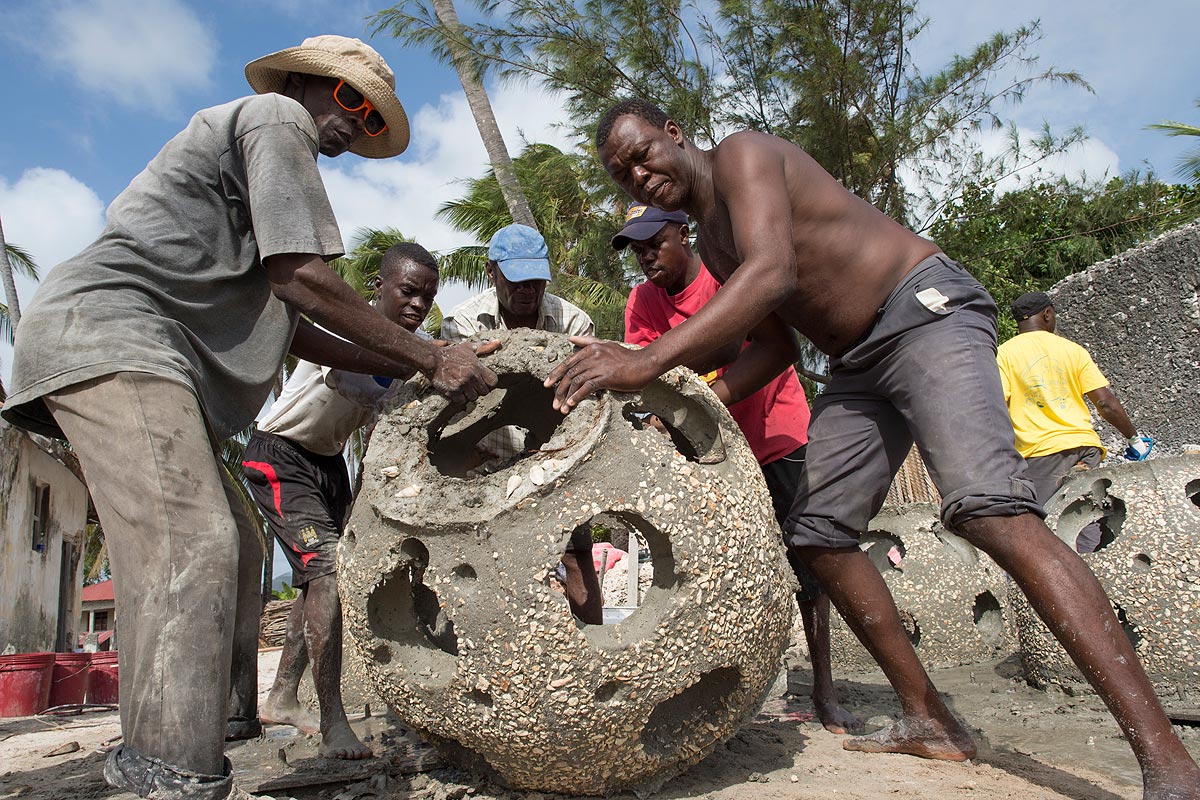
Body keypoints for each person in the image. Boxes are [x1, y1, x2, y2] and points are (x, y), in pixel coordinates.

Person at [543, 98, 1200, 798]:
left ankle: (1169, 764)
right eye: (622, 173)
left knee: (989, 512)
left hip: (922, 312)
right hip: (857, 363)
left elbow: (773, 275)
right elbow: (772, 349)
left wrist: (642, 363)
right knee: (819, 535)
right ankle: (932, 721)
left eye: (642, 153)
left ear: (675, 134)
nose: (637, 174)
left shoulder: (742, 156)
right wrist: (681, 402)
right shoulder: (714, 241)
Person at [1, 36, 496, 799]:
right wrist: (432, 360)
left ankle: (223, 721)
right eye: (351, 102)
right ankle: (168, 767)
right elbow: (300, 279)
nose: (353, 127)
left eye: (370, 122)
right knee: (189, 537)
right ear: (306, 82)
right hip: (112, 335)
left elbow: (294, 326)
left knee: (231, 541)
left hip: (152, 353)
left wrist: (420, 356)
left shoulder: (265, 174)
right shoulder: (273, 119)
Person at [616, 204, 861, 734]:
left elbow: (770, 356)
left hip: (774, 435)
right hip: (705, 450)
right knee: (711, 563)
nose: (645, 257)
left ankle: (823, 686)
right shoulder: (642, 300)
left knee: (811, 564)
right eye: (636, 249)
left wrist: (697, 396)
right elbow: (647, 370)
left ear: (684, 232)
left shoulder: (728, 280)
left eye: (653, 242)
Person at [243, 242, 439, 759]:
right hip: (280, 454)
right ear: (380, 286)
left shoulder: (407, 347)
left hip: (327, 463)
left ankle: (283, 695)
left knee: (321, 582)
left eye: (428, 297)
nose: (418, 305)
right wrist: (425, 366)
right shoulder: (346, 328)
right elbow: (349, 378)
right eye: (408, 291)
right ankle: (333, 722)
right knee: (326, 573)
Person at [441, 223, 603, 625]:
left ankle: (595, 651)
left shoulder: (573, 322)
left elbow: (585, 397)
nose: (528, 289)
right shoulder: (462, 324)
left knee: (576, 551)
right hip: (487, 460)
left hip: (556, 461)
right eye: (516, 279)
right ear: (491, 271)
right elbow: (459, 403)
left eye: (536, 279)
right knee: (482, 562)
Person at [997, 291, 1153, 552]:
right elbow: (1105, 403)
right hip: (1084, 449)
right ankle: (1093, 583)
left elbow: (996, 407)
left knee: (1044, 532)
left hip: (1039, 455)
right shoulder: (1072, 350)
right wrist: (1134, 439)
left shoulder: (1004, 355)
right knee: (1085, 520)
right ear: (1047, 314)